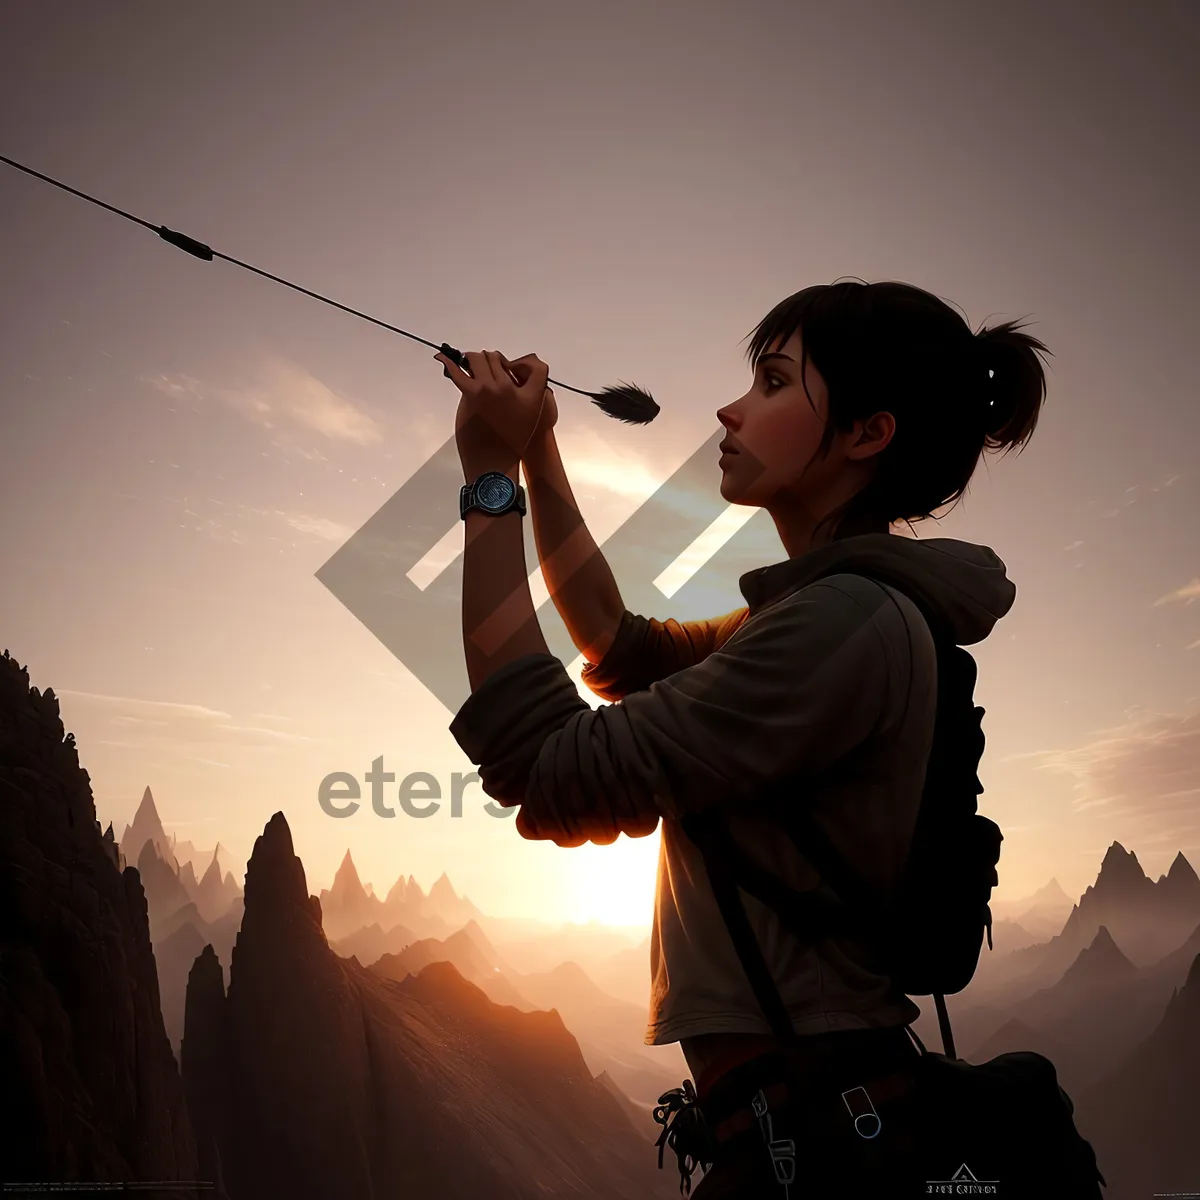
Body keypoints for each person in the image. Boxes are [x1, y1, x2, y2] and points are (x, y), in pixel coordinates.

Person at [439, 278, 1050, 1196]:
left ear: (864, 434)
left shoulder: (840, 626)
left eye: (773, 382)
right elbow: (618, 644)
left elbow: (541, 763)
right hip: (807, 1104)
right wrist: (538, 455)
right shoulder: (823, 612)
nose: (730, 408)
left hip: (810, 1124)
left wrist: (487, 481)